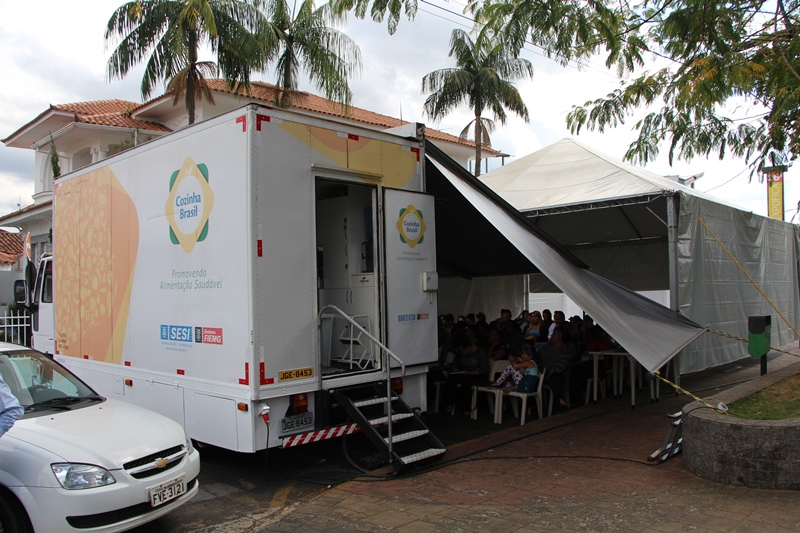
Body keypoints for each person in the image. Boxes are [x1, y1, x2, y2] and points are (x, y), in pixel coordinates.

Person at [444, 329, 490, 416]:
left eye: (463, 351)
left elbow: (484, 369)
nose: (462, 353)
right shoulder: (460, 353)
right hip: (463, 372)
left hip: (476, 374)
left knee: (467, 383)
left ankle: (467, 408)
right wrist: (455, 368)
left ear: (468, 347)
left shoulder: (481, 352)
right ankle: (449, 404)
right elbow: (456, 362)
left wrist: (470, 373)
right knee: (451, 378)